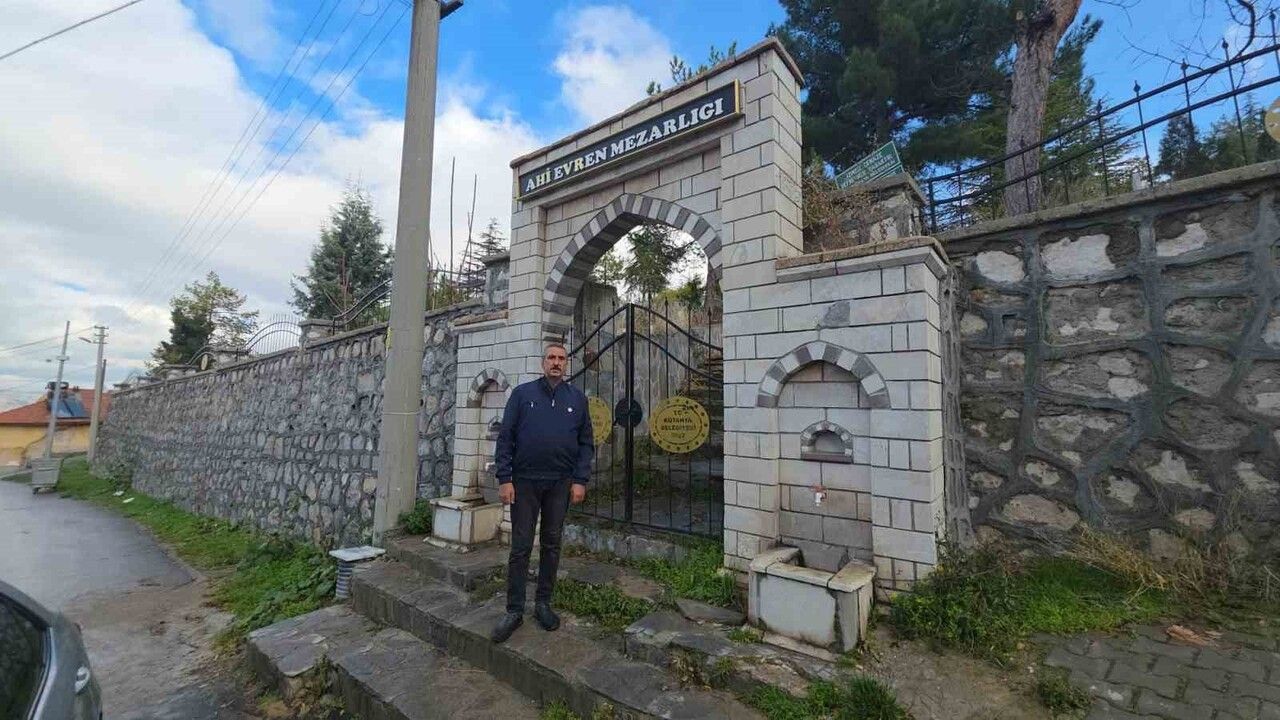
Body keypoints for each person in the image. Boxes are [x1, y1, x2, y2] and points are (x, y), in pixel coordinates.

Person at [490, 342, 594, 643]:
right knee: (521, 547)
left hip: (560, 484)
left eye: (561, 358)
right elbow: (506, 437)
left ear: (566, 364)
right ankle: (514, 610)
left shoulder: (577, 399)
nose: (556, 362)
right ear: (542, 363)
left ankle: (543, 604)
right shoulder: (523, 395)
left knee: (551, 544)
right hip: (524, 483)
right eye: (551, 358)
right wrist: (505, 478)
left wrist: (580, 480)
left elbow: (586, 442)